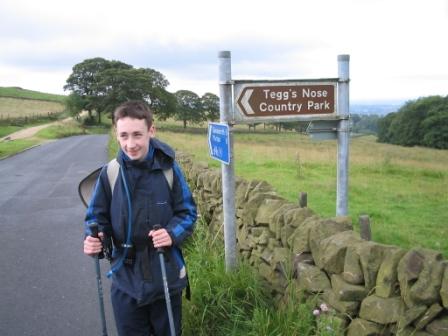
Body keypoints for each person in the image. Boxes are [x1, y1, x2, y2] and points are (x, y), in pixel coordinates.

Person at [83, 100, 197, 335]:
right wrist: (95, 238)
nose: (130, 144)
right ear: (116, 134)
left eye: (137, 135)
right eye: (124, 135)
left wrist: (171, 233)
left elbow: (187, 212)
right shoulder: (110, 173)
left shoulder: (169, 170)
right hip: (125, 278)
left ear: (151, 131)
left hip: (165, 273)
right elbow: (96, 217)